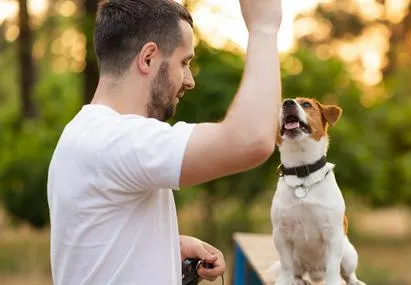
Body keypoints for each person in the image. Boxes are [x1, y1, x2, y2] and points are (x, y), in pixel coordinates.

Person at [46, 0, 283, 284]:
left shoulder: (85, 134)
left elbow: (96, 244)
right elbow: (251, 140)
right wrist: (264, 27)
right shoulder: (115, 139)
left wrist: (168, 246)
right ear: (148, 58)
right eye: (184, 62)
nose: (189, 80)